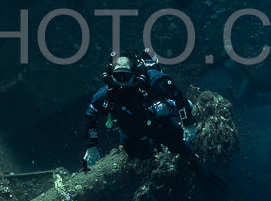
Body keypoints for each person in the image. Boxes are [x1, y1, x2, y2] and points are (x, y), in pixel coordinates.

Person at [82, 50, 226, 193]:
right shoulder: (105, 94)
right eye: (117, 76)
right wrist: (91, 146)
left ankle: (204, 175)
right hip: (133, 132)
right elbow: (91, 116)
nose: (121, 83)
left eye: (125, 76)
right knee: (143, 154)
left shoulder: (154, 80)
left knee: (182, 147)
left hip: (159, 123)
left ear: (136, 73)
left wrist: (188, 124)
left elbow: (180, 98)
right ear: (110, 75)